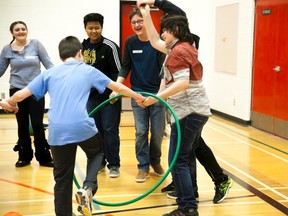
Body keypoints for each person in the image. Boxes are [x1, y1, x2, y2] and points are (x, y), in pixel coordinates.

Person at [4, 36, 145, 216]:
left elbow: (21, 94)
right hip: (81, 126)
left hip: (57, 131)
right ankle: (88, 187)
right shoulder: (88, 70)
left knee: (62, 179)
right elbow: (118, 88)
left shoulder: (49, 73)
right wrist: (138, 97)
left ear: (61, 56)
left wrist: (8, 102)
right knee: (97, 153)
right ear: (80, 53)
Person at [137, 0, 233, 204]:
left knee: (180, 157)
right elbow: (154, 41)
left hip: (190, 112)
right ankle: (193, 190)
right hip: (187, 111)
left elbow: (182, 83)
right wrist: (146, 13)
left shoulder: (180, 50)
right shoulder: (177, 47)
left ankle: (189, 201)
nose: (162, 34)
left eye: (166, 29)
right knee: (193, 150)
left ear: (177, 29)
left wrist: (156, 98)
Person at [110, 7, 166, 183]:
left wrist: (159, 95)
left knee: (157, 132)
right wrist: (117, 87)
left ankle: (155, 161)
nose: (137, 25)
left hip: (157, 95)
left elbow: (164, 71)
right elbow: (125, 66)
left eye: (140, 21)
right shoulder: (130, 42)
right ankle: (143, 166)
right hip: (137, 94)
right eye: (133, 22)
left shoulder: (157, 42)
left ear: (147, 21)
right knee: (141, 131)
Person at [0, 21, 54, 168]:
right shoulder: (7, 49)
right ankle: (24, 156)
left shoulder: (36, 44)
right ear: (12, 33)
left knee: (37, 124)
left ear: (27, 31)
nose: (21, 31)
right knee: (22, 124)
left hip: (36, 89)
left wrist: (54, 80)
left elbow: (49, 64)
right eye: (17, 30)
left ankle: (44, 157)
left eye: (23, 29)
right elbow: (1, 69)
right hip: (16, 91)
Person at [82, 13, 122, 178]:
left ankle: (114, 164)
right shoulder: (82, 47)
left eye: (96, 27)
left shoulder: (110, 46)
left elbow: (119, 71)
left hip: (109, 97)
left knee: (110, 130)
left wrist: (116, 91)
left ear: (102, 27)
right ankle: (99, 161)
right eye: (90, 28)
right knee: (95, 131)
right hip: (91, 98)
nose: (93, 31)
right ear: (85, 28)